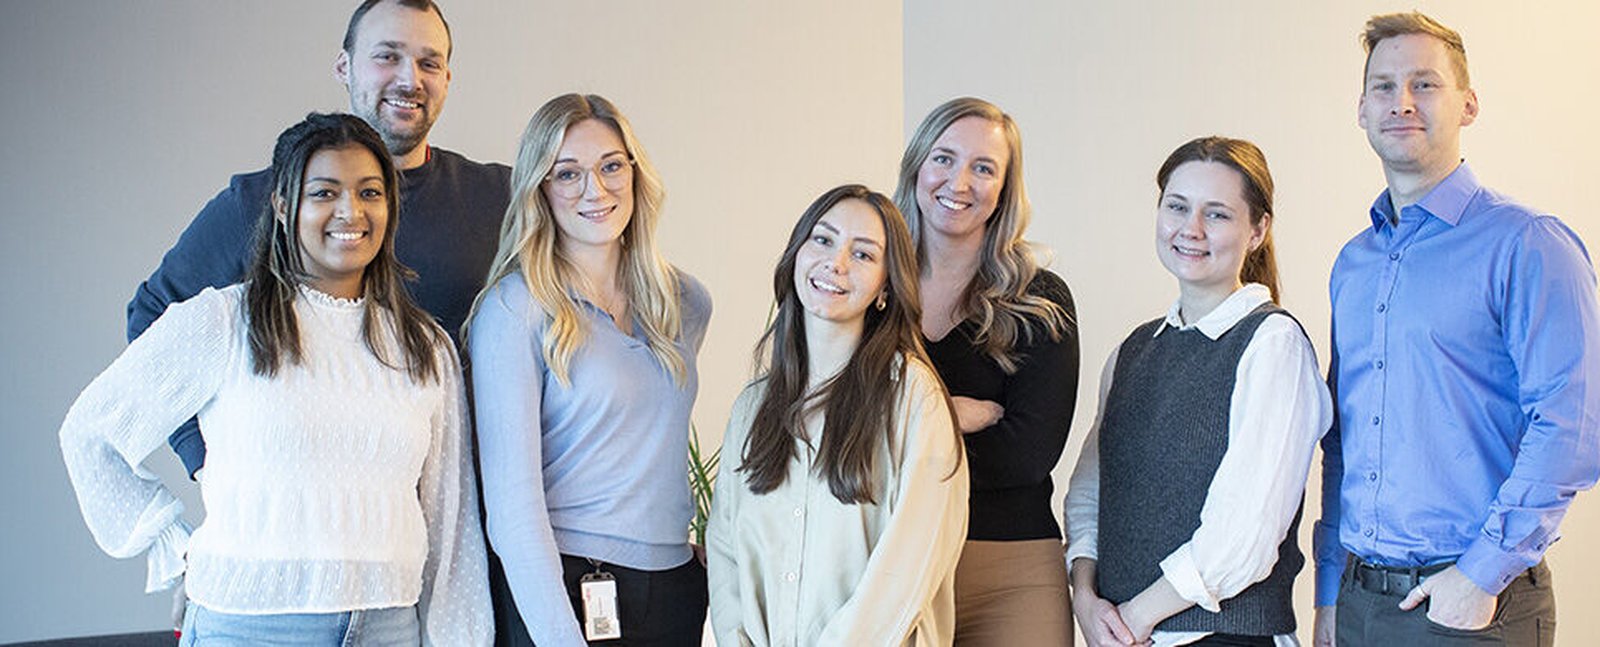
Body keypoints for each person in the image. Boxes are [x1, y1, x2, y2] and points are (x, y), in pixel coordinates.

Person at [60, 113, 490, 646]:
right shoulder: (223, 322)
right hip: (250, 627)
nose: (350, 211)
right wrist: (176, 547)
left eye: (370, 192)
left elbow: (450, 526)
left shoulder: (424, 346)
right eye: (324, 193)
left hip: (388, 627)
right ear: (284, 207)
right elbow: (91, 433)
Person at [126, 0, 511, 481]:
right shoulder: (264, 201)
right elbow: (154, 314)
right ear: (344, 67)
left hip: (462, 503)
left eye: (428, 63)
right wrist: (206, 460)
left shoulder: (501, 199)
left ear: (447, 79)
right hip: (309, 507)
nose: (409, 79)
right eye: (387, 56)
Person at [1313, 12, 1600, 646]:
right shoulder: (1354, 264)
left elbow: (1573, 425)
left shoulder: (1528, 244)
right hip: (1358, 605)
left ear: (1468, 104)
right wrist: (1330, 590)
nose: (1402, 102)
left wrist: (1481, 574)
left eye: (1425, 84)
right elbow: (1343, 440)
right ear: (1361, 109)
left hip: (1472, 609)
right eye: (1384, 87)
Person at [465, 93, 712, 646]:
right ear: (540, 190)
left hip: (675, 586)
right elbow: (513, 510)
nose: (594, 190)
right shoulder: (514, 310)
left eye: (610, 166)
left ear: (636, 174)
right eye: (567, 173)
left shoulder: (684, 301)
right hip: (565, 586)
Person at [1063, 137, 1331, 647]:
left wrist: (1137, 617)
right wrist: (1085, 595)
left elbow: (1246, 533)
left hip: (1220, 637)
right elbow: (1090, 493)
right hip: (1120, 632)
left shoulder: (1272, 343)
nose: (1191, 229)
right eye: (1177, 207)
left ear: (1258, 230)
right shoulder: (1132, 350)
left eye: (1218, 214)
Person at [707, 184, 969, 646]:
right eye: (823, 240)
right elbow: (725, 551)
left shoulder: (913, 397)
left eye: (863, 254)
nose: (837, 263)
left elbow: (908, 567)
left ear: (886, 286)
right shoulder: (753, 407)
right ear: (797, 255)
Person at [891, 97, 1078, 645]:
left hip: (1012, 567)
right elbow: (838, 425)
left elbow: (1028, 454)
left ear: (1004, 190)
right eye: (944, 158)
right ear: (918, 166)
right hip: (891, 560)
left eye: (983, 168)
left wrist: (901, 435)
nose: (960, 182)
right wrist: (950, 414)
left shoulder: (1040, 299)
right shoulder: (874, 289)